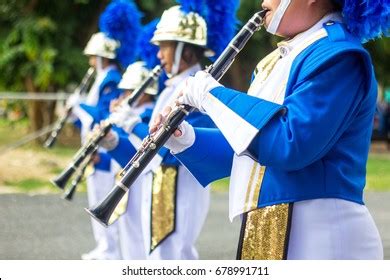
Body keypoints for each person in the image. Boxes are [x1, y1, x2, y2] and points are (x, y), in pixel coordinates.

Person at [154, 0, 389, 259]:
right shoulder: (276, 61)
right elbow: (250, 150)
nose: (263, 1)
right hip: (273, 226)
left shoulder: (339, 54)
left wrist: (210, 95)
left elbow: (289, 142)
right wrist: (184, 137)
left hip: (326, 236)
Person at [100, 0, 239, 259]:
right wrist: (113, 142)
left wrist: (133, 123)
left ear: (185, 50)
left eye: (164, 47)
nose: (159, 55)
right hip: (158, 185)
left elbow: (170, 150)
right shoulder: (171, 88)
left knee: (176, 257)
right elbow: (148, 150)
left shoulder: (200, 88)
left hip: (180, 187)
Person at [70, 0, 142, 260]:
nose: (90, 60)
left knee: (103, 197)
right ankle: (105, 247)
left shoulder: (111, 79)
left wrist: (79, 107)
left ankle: (110, 250)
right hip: (95, 144)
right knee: (95, 196)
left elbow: (102, 114)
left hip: (105, 149)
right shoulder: (101, 78)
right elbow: (90, 118)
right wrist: (75, 115)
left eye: (93, 56)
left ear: (102, 57)